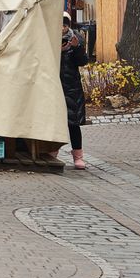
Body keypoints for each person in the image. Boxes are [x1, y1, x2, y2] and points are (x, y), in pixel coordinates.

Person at [59, 12, 90, 170]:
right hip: (56, 87)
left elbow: (83, 61)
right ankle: (52, 152)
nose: (62, 28)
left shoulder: (76, 39)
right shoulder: (50, 40)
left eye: (65, 25)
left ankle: (78, 156)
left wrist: (76, 48)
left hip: (72, 88)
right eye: (60, 25)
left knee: (73, 123)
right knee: (55, 123)